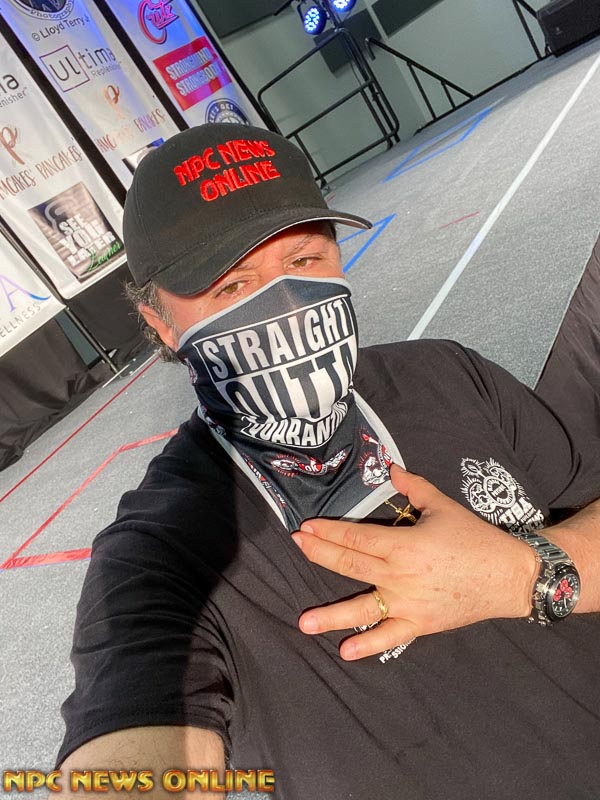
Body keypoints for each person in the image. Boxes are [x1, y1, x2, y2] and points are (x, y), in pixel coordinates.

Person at [56, 123, 600, 799]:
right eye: (231, 286)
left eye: (304, 259)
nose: (284, 301)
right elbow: (130, 735)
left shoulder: (449, 374)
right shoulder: (167, 551)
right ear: (161, 323)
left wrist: (522, 574)